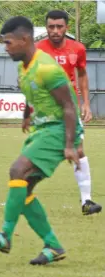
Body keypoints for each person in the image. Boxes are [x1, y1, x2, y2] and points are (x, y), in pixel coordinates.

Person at [0, 16, 83, 265]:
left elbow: (69, 107)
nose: (5, 48)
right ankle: (53, 245)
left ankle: (5, 235)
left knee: (17, 170)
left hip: (59, 129)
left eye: (8, 43)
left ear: (24, 40)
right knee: (23, 189)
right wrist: (27, 115)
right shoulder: (23, 67)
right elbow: (33, 94)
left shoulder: (46, 67)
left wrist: (70, 145)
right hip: (41, 129)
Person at [36, 10, 101, 215]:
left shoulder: (77, 49)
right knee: (36, 155)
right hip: (46, 108)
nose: (55, 31)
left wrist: (86, 104)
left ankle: (87, 201)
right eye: (51, 27)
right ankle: (23, 195)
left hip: (70, 107)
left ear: (67, 27)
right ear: (46, 27)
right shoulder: (38, 50)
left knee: (79, 150)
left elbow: (82, 76)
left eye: (59, 26)